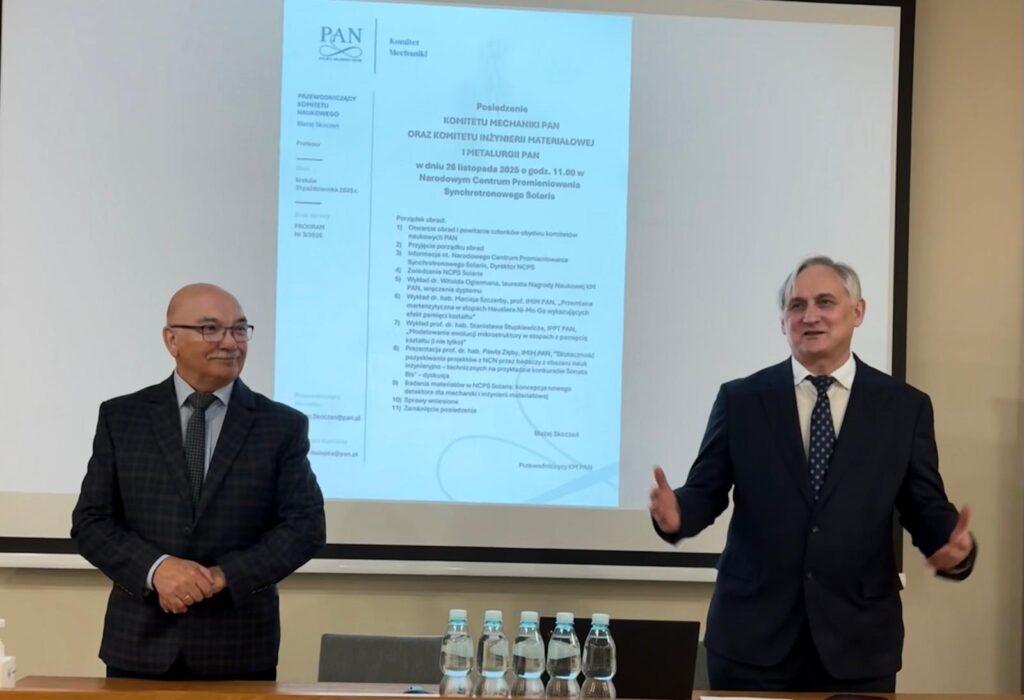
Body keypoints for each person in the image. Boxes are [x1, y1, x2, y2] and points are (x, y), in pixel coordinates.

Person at [648, 256, 976, 692]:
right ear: (782, 322)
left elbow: (923, 505)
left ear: (857, 312)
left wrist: (953, 546)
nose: (810, 316)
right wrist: (676, 515)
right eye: (796, 305)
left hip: (858, 644)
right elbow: (705, 492)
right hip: (751, 641)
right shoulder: (742, 400)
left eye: (825, 302)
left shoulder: (903, 407)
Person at [71, 283, 326, 681]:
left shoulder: (281, 426)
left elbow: (305, 528)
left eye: (239, 329)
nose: (230, 342)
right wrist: (157, 570)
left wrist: (222, 576)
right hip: (138, 645)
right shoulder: (122, 418)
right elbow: (91, 522)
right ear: (171, 340)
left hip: (238, 649)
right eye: (211, 329)